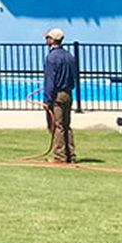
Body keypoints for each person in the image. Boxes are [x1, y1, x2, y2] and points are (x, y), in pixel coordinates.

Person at [42, 28, 79, 164]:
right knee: (66, 125)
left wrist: (47, 99)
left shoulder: (51, 57)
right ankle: (71, 155)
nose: (46, 40)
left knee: (57, 126)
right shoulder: (69, 56)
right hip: (68, 93)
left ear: (52, 40)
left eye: (47, 38)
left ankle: (60, 157)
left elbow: (50, 80)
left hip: (57, 95)